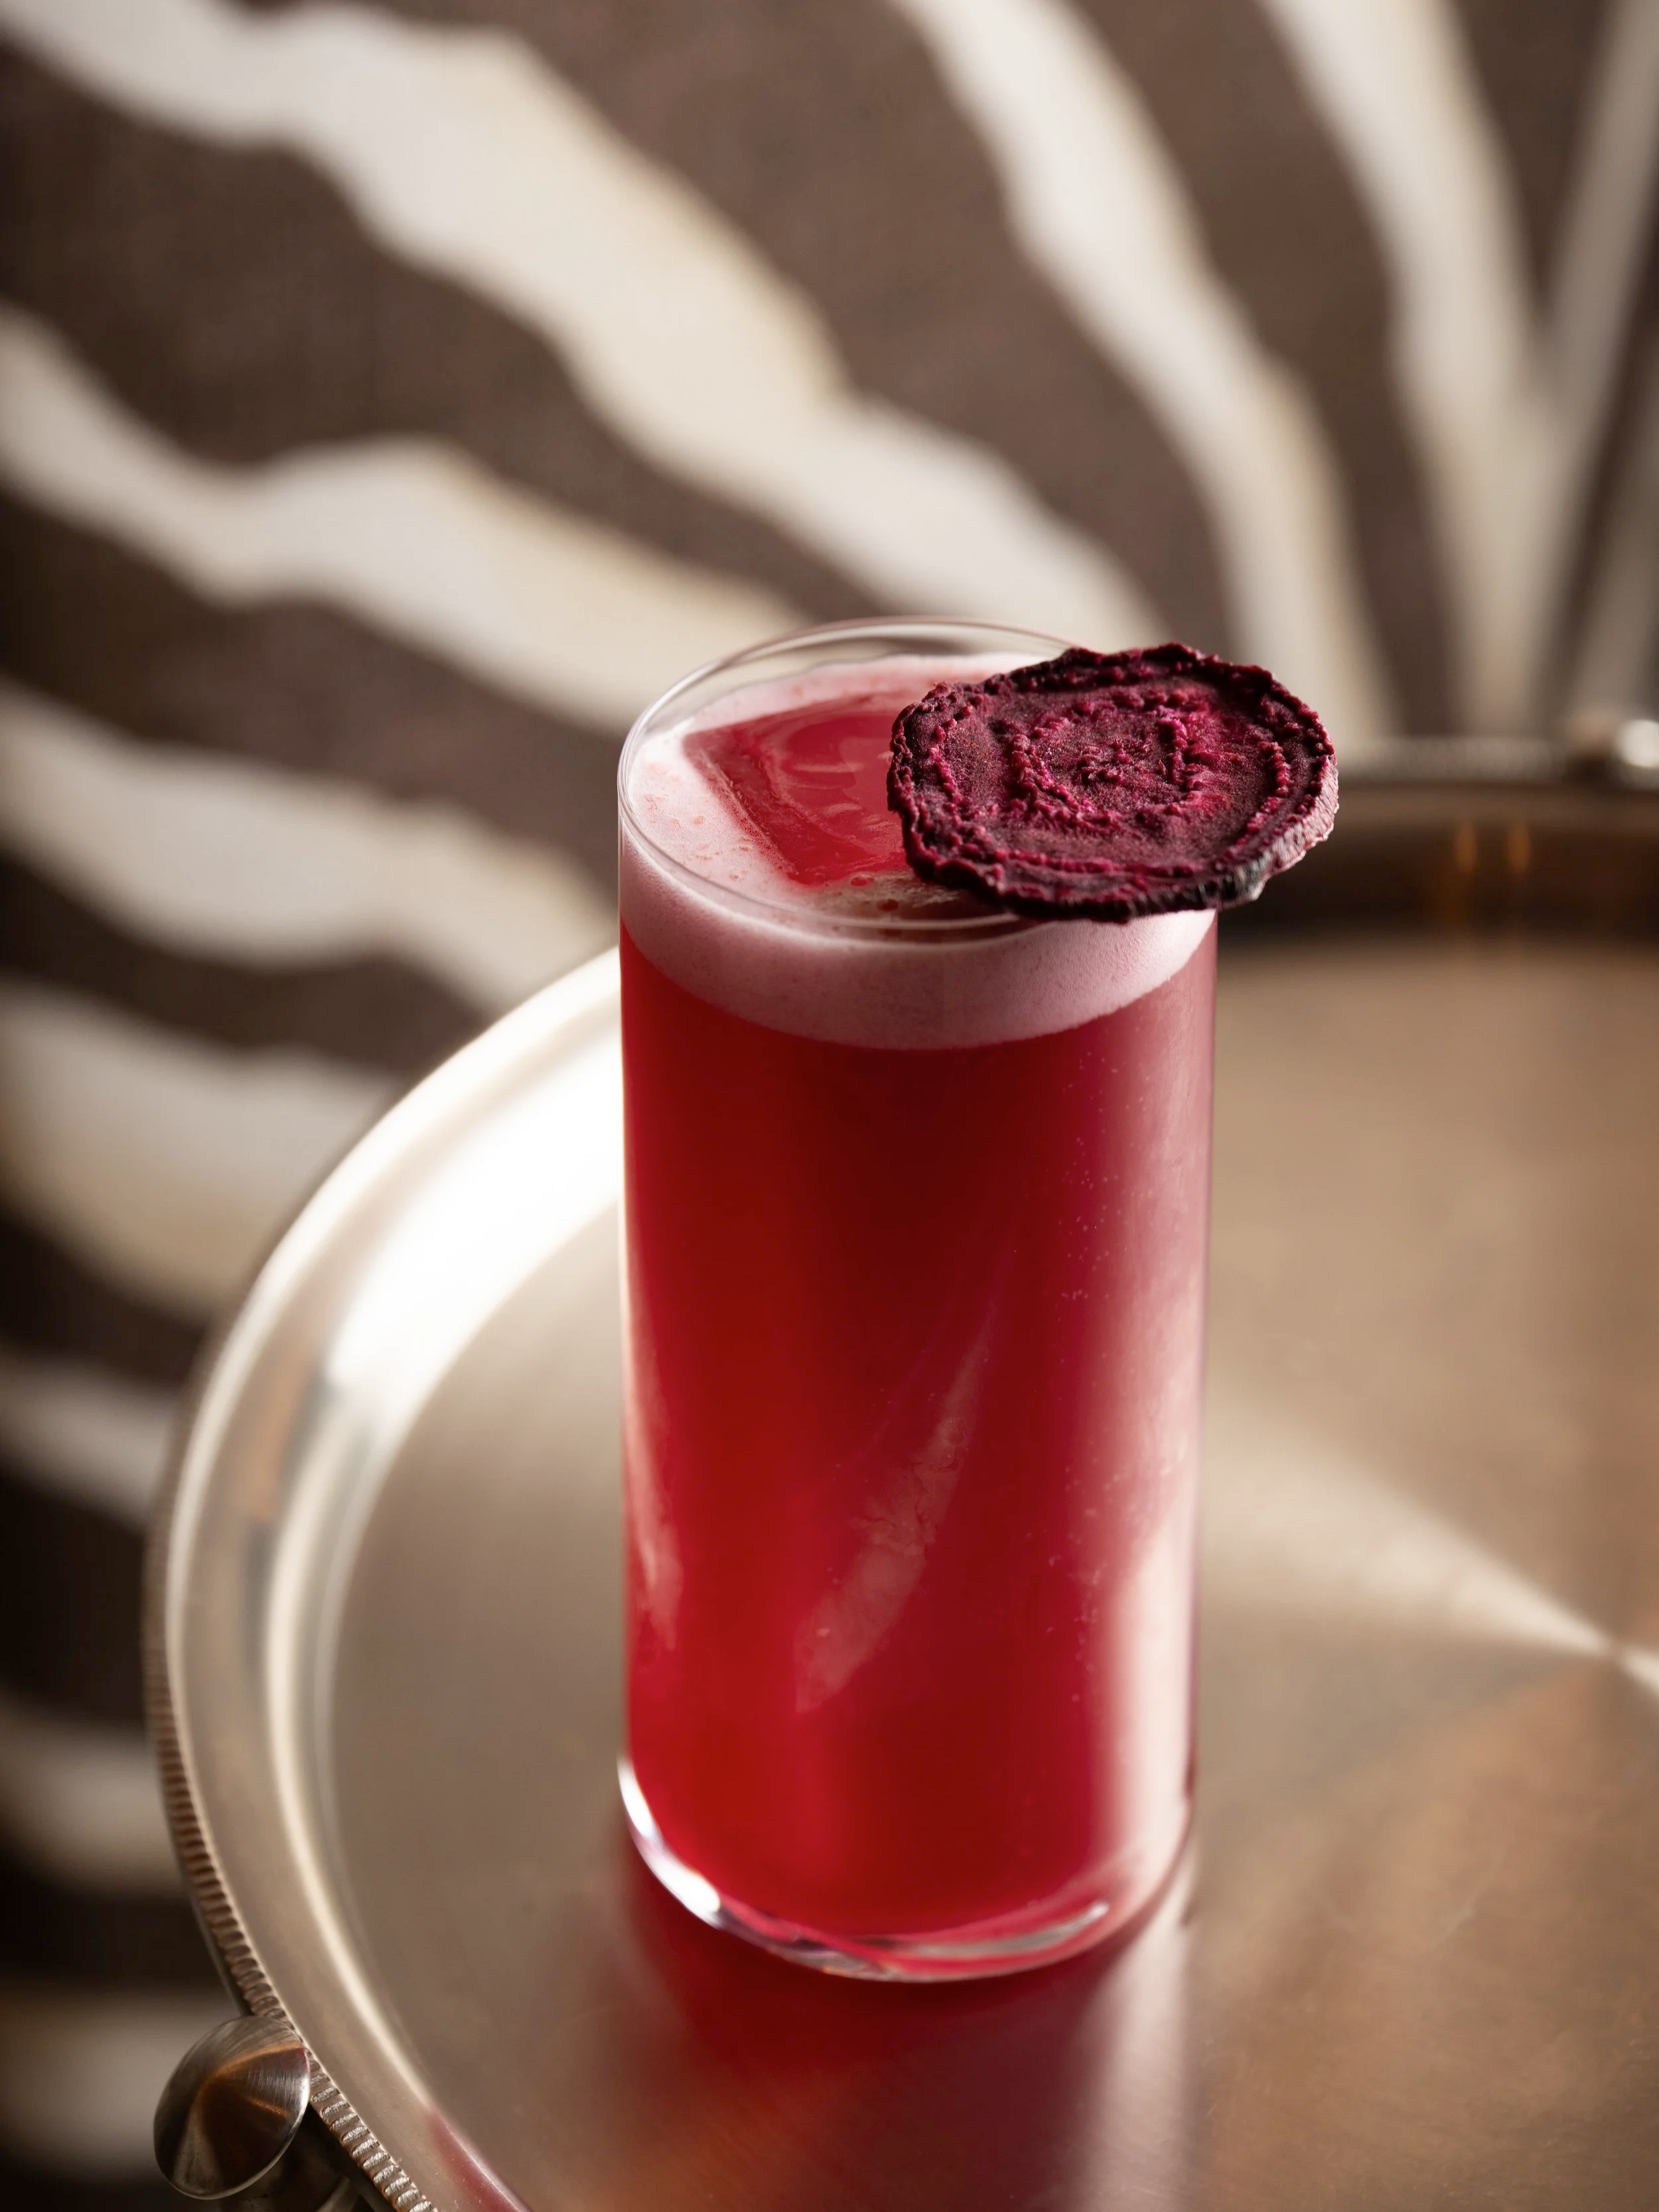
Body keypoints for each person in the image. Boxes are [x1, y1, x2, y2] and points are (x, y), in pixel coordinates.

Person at [0, 0, 1654, 2199]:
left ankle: (1027, 1833)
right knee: (764, 1444)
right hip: (714, 1856)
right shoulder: (699, 833)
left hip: (1097, 1864)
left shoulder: (1134, 909)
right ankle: (761, 1817)